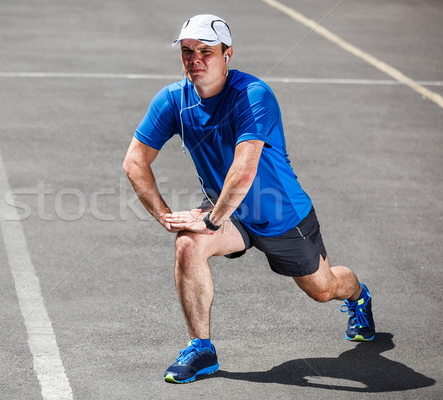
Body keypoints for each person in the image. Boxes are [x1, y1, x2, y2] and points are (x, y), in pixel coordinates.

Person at [122, 14, 375, 384]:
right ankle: (201, 348)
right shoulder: (172, 101)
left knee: (323, 289)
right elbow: (134, 161)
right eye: (188, 51)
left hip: (281, 215)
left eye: (206, 51)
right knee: (188, 244)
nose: (195, 59)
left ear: (228, 54)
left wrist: (210, 218)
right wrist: (164, 215)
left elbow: (244, 170)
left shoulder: (253, 95)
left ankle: (359, 297)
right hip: (230, 214)